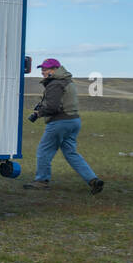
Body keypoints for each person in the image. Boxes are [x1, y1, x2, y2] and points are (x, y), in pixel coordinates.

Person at [24, 58, 104, 193]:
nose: (42, 72)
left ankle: (41, 181)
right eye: (42, 69)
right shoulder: (68, 81)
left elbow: (53, 107)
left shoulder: (55, 84)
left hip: (59, 122)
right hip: (74, 121)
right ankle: (93, 180)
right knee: (71, 153)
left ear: (55, 70)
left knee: (44, 151)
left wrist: (39, 112)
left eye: (45, 69)